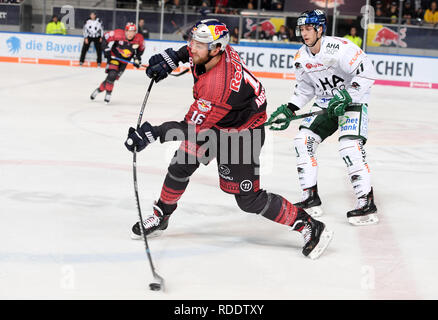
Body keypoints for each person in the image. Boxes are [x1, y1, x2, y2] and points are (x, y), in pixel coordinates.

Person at [124, 19, 333, 260]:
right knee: (180, 164)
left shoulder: (218, 86)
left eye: (198, 45)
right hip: (219, 121)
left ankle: (309, 225)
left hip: (242, 133)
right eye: (192, 41)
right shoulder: (210, 51)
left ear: (216, 49)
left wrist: (152, 133)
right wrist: (174, 58)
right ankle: (162, 215)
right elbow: (192, 52)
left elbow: (191, 128)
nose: (192, 48)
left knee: (249, 199)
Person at [266, 10, 378, 226]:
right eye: (301, 29)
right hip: (325, 104)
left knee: (349, 146)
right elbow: (305, 88)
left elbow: (367, 71)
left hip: (352, 102)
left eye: (308, 28)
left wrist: (348, 95)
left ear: (320, 29)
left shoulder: (340, 48)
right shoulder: (301, 57)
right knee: (302, 141)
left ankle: (366, 202)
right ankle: (310, 198)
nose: (304, 33)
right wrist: (290, 109)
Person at [90, 22, 145, 104]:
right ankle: (108, 94)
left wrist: (137, 59)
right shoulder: (118, 34)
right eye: (129, 31)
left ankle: (99, 89)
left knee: (112, 78)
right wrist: (106, 49)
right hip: (114, 57)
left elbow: (140, 50)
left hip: (124, 62)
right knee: (112, 75)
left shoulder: (139, 38)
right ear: (125, 31)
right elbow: (104, 38)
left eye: (133, 31)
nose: (130, 34)